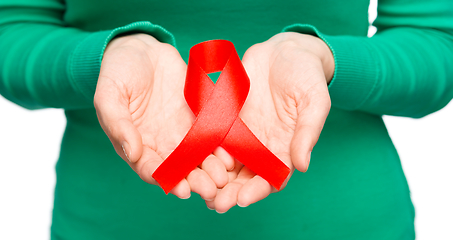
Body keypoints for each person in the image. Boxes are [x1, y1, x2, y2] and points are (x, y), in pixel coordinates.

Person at [0, 0, 452, 239]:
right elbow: (13, 29)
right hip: (106, 226)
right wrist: (102, 57)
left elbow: (435, 43)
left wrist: (324, 58)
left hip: (347, 225)